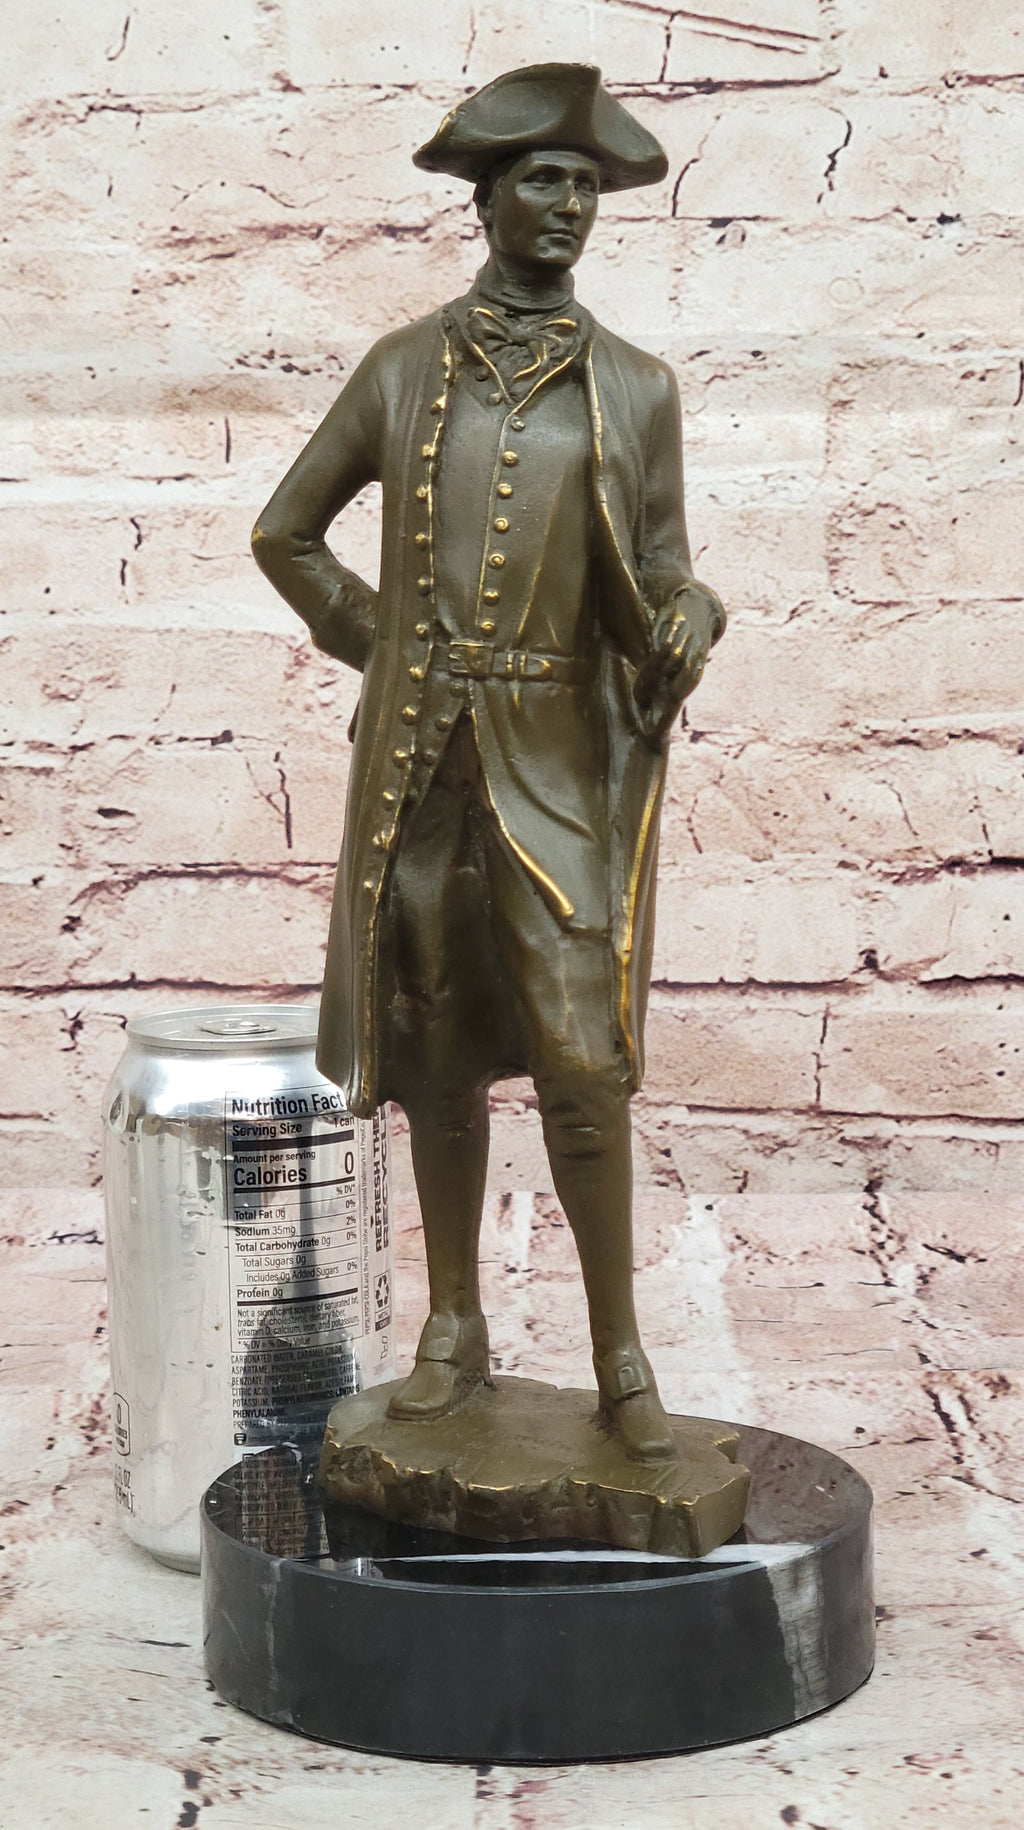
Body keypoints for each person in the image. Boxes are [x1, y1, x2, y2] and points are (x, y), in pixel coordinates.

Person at [252, 64, 726, 1462]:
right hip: (419, 761)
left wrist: (691, 614)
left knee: (586, 1058)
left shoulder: (636, 387)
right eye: (542, 179)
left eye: (586, 185)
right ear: (487, 198)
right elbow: (285, 532)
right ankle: (452, 1327)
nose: (568, 204)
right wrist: (386, 644)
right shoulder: (404, 366)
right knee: (434, 1047)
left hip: (558, 765)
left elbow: (665, 568)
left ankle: (620, 1355)